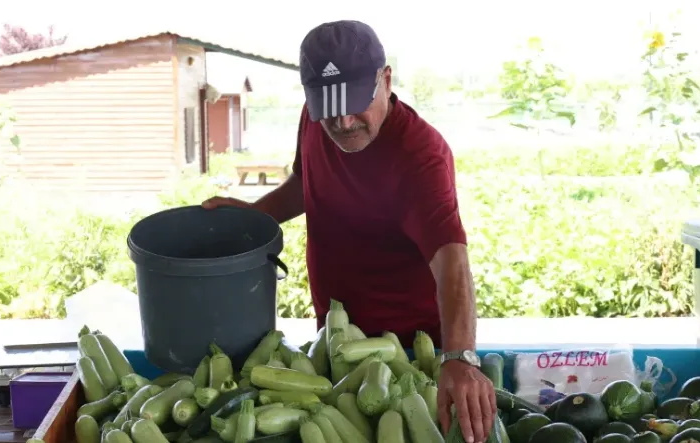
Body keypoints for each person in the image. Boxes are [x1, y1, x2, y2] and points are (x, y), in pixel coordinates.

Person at [203, 19, 495, 442]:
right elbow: (307, 181)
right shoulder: (313, 118)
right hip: (334, 341)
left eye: (356, 101)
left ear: (387, 80)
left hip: (406, 353)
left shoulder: (419, 156)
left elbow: (452, 259)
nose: (342, 120)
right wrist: (254, 217)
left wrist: (461, 358)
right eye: (328, 106)